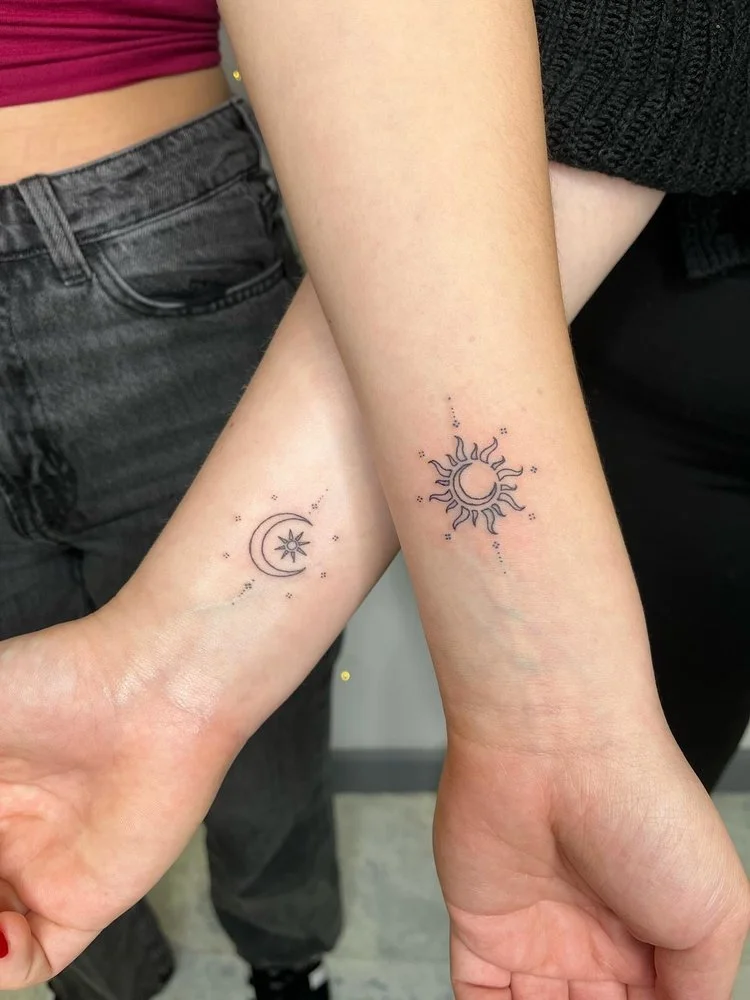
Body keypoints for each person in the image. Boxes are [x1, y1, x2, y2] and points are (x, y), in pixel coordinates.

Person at [0, 3, 748, 999]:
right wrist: (551, 713)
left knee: (267, 770)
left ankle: (283, 956)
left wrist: (550, 712)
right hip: (650, 325)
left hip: (154, 205)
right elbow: (625, 53)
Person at [0, 16, 342, 1000]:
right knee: (22, 782)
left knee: (253, 722)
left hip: (145, 222)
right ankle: (97, 979)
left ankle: (286, 956)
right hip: (155, 221)